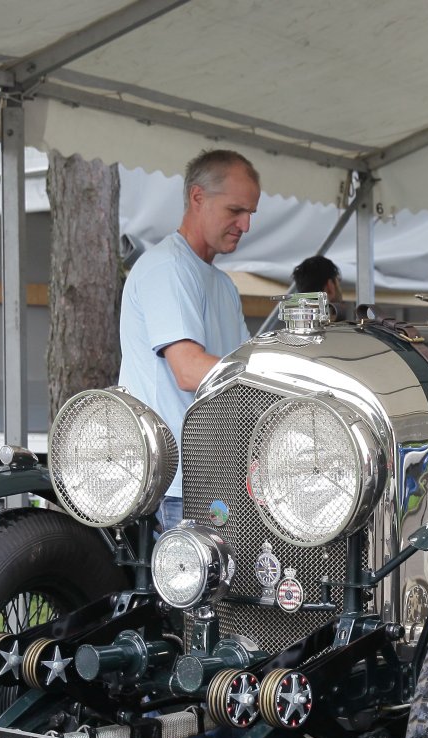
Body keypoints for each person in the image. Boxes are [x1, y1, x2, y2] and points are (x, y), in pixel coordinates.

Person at [119, 149, 261, 529]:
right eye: (235, 210)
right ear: (198, 197)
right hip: (177, 485)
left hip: (216, 478)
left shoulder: (222, 284)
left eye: (250, 213)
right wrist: (280, 379)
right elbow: (189, 370)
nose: (245, 225)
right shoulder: (168, 267)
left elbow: (243, 364)